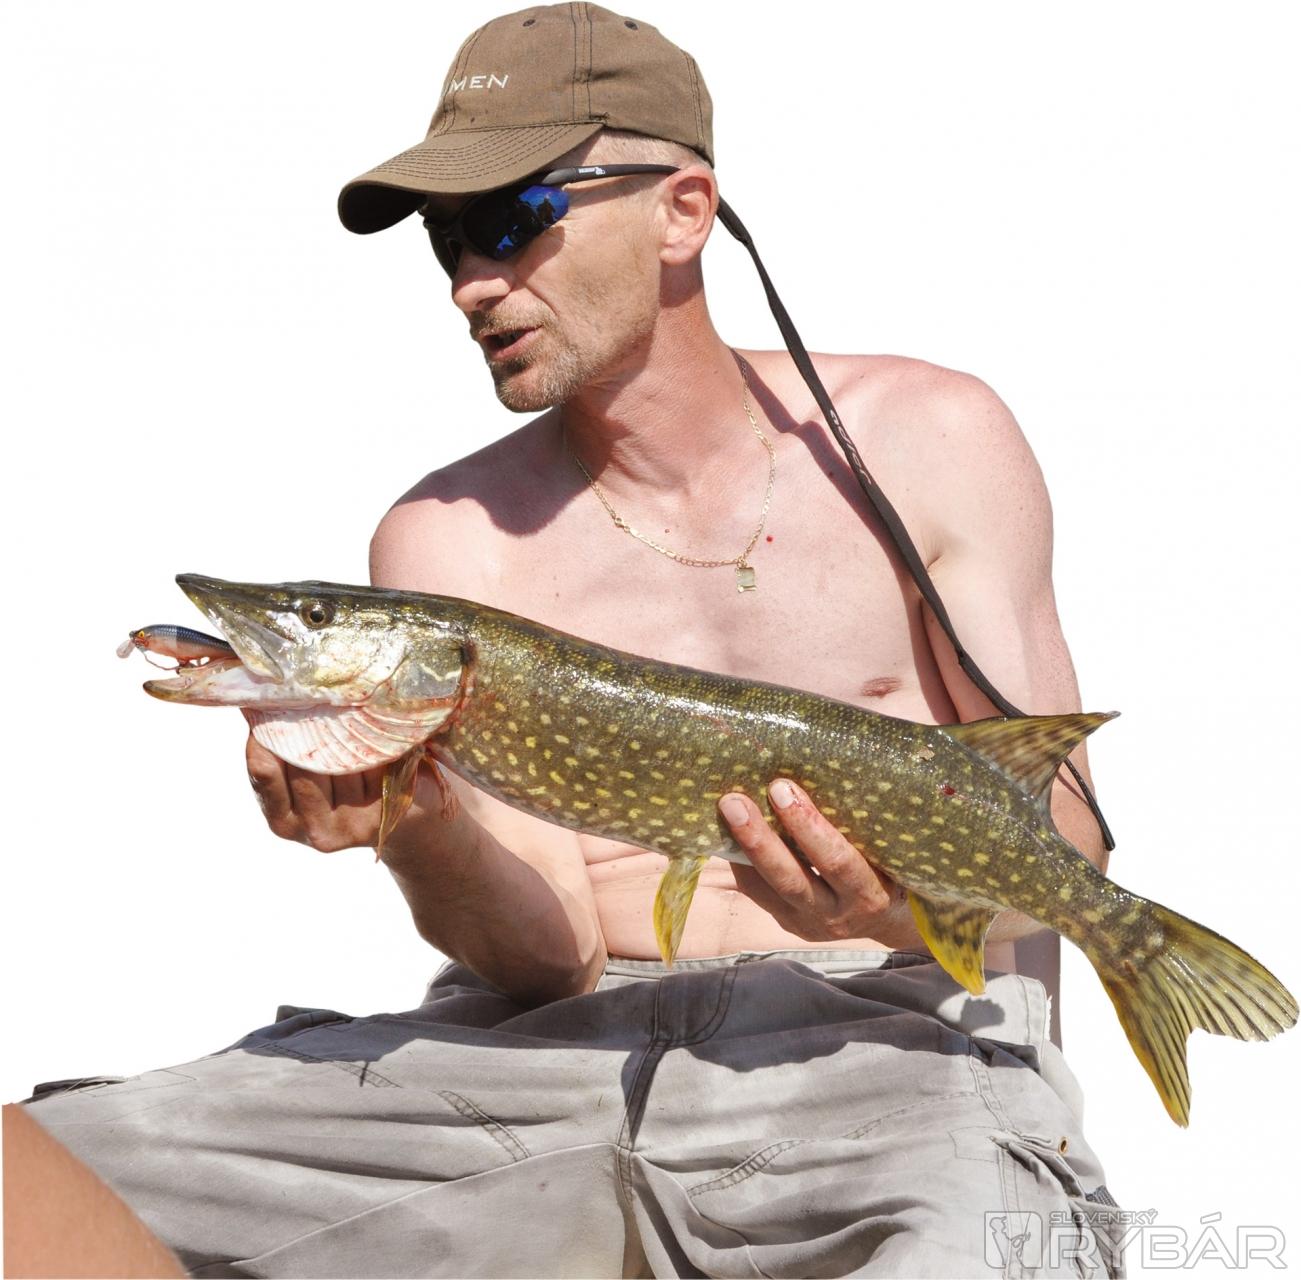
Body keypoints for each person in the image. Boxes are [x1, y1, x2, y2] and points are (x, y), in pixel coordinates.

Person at [7, 5, 1126, 1275]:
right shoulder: (446, 537)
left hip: (879, 1039)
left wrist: (898, 902)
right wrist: (409, 820)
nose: (469, 283)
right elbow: (549, 957)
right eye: (447, 238)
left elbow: (1065, 841)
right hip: (537, 1060)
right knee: (22, 1178)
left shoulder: (930, 437)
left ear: (681, 211)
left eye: (511, 217)